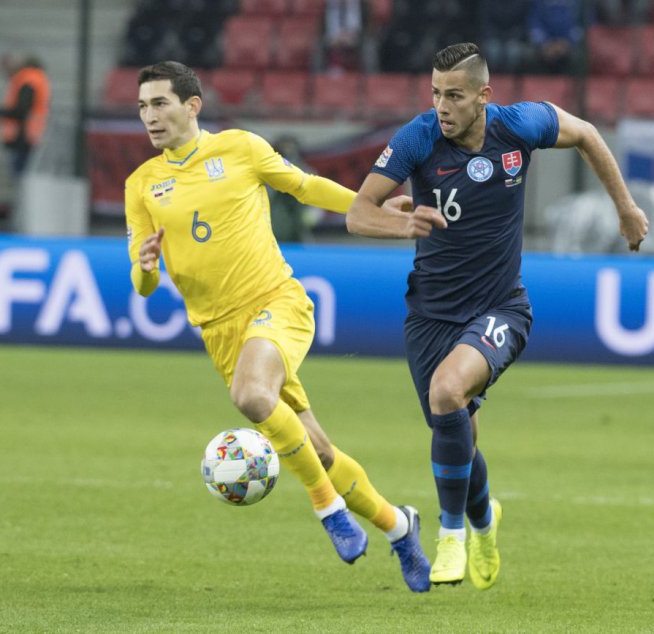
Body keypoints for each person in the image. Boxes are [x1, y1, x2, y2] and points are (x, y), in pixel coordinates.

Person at [346, 42, 648, 588]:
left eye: (454, 96)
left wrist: (625, 207)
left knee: (446, 393)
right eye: (435, 94)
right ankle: (485, 522)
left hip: (500, 307)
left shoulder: (519, 125)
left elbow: (587, 134)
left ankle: (451, 536)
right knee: (457, 429)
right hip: (430, 315)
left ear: (484, 95)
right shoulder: (418, 137)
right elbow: (358, 213)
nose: (442, 106)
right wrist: (404, 224)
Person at [124, 61, 431, 591]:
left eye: (159, 103)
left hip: (276, 302)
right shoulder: (142, 185)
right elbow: (142, 283)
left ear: (192, 106)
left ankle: (328, 508)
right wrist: (147, 265)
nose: (149, 116)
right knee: (320, 451)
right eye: (142, 107)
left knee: (250, 395)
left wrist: (374, 206)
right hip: (221, 333)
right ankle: (401, 526)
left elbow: (305, 187)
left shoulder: (240, 148)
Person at [0, 51, 50, 179]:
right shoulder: (36, 77)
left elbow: (22, 110)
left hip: (23, 137)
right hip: (29, 136)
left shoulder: (27, 79)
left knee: (21, 177)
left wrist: (0, 112)